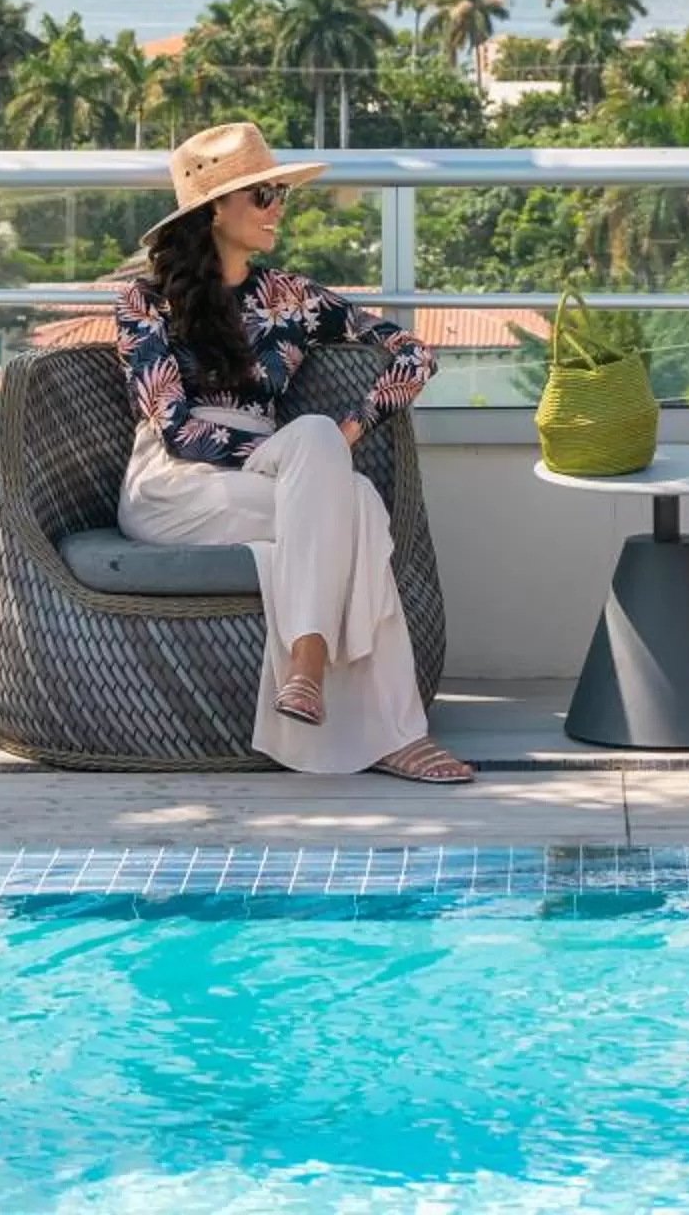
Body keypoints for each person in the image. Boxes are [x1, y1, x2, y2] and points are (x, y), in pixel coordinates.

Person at [114, 117, 474, 783]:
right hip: (177, 486)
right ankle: (396, 733)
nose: (278, 207)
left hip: (281, 470)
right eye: (263, 195)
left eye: (281, 192)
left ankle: (307, 672)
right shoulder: (146, 301)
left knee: (323, 450)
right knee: (356, 504)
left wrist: (348, 431)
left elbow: (415, 354)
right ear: (214, 209)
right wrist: (288, 461)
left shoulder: (293, 297)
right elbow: (173, 425)